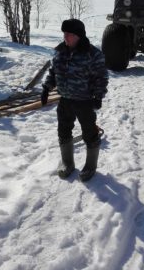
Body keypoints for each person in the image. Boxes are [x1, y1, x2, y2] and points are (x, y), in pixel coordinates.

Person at [40, 19, 108, 181]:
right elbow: (53, 72)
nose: (66, 37)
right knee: (63, 131)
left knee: (89, 133)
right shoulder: (60, 52)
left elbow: (101, 78)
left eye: (70, 34)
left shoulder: (93, 54)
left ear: (79, 35)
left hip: (84, 101)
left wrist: (98, 96)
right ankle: (67, 163)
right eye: (64, 33)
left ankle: (90, 167)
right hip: (65, 100)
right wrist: (46, 88)